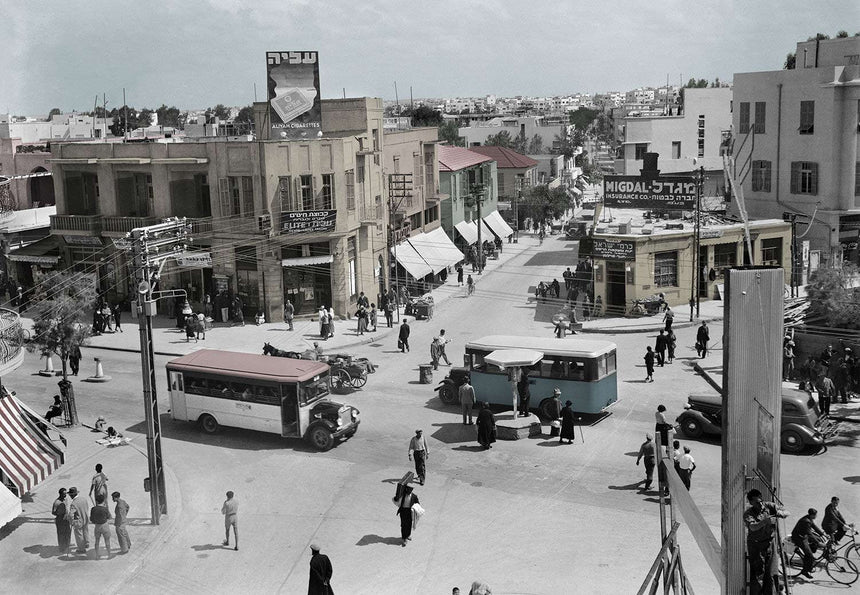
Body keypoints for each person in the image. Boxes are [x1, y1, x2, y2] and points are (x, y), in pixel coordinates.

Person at [743, 488, 789, 594]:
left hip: (770, 544)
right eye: (756, 502)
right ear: (751, 502)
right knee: (758, 575)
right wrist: (765, 522)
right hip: (756, 546)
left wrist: (780, 513)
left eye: (760, 501)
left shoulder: (769, 506)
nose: (760, 504)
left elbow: (786, 511)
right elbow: (753, 527)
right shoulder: (748, 513)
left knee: (772, 573)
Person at [791, 508, 826, 579]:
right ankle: (805, 571)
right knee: (810, 556)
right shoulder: (806, 521)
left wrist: (822, 534)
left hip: (803, 536)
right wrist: (818, 543)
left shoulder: (809, 518)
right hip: (799, 538)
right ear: (812, 515)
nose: (816, 516)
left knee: (818, 539)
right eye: (815, 515)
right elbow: (810, 534)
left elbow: (814, 527)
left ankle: (811, 550)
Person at [67, 486, 90, 553]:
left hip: (78, 521)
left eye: (70, 495)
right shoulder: (83, 499)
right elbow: (87, 507)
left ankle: (81, 549)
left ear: (72, 495)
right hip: (85, 518)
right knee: (85, 531)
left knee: (79, 535)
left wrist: (72, 522)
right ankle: (86, 543)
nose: (70, 496)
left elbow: (70, 515)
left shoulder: (73, 504)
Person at [90, 494, 112, 559]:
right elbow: (109, 517)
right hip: (104, 525)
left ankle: (97, 555)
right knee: (107, 541)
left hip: (97, 526)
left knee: (97, 541)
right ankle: (109, 554)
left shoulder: (93, 509)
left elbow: (91, 519)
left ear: (96, 501)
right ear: (103, 501)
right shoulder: (105, 509)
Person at [52, 488, 71, 554]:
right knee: (61, 534)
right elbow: (53, 512)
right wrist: (59, 513)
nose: (65, 495)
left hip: (66, 519)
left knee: (68, 532)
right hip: (60, 520)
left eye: (66, 494)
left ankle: (67, 546)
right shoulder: (56, 502)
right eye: (64, 494)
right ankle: (62, 548)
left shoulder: (66, 499)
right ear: (60, 494)